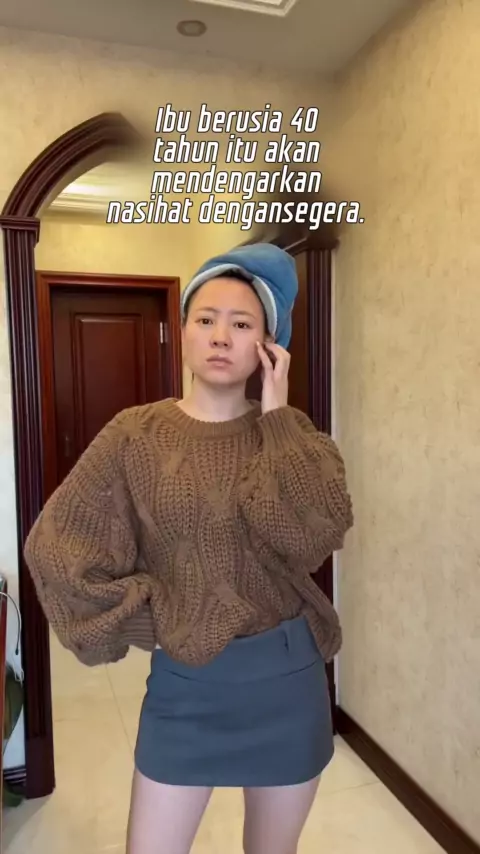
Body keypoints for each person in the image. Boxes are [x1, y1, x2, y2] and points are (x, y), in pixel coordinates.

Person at [24, 242, 354, 854]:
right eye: (206, 318)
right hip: (186, 686)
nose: (221, 336)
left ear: (268, 344)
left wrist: (277, 416)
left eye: (242, 324)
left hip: (287, 680)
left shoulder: (296, 437)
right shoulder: (135, 434)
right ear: (182, 332)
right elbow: (56, 546)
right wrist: (150, 616)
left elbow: (312, 540)